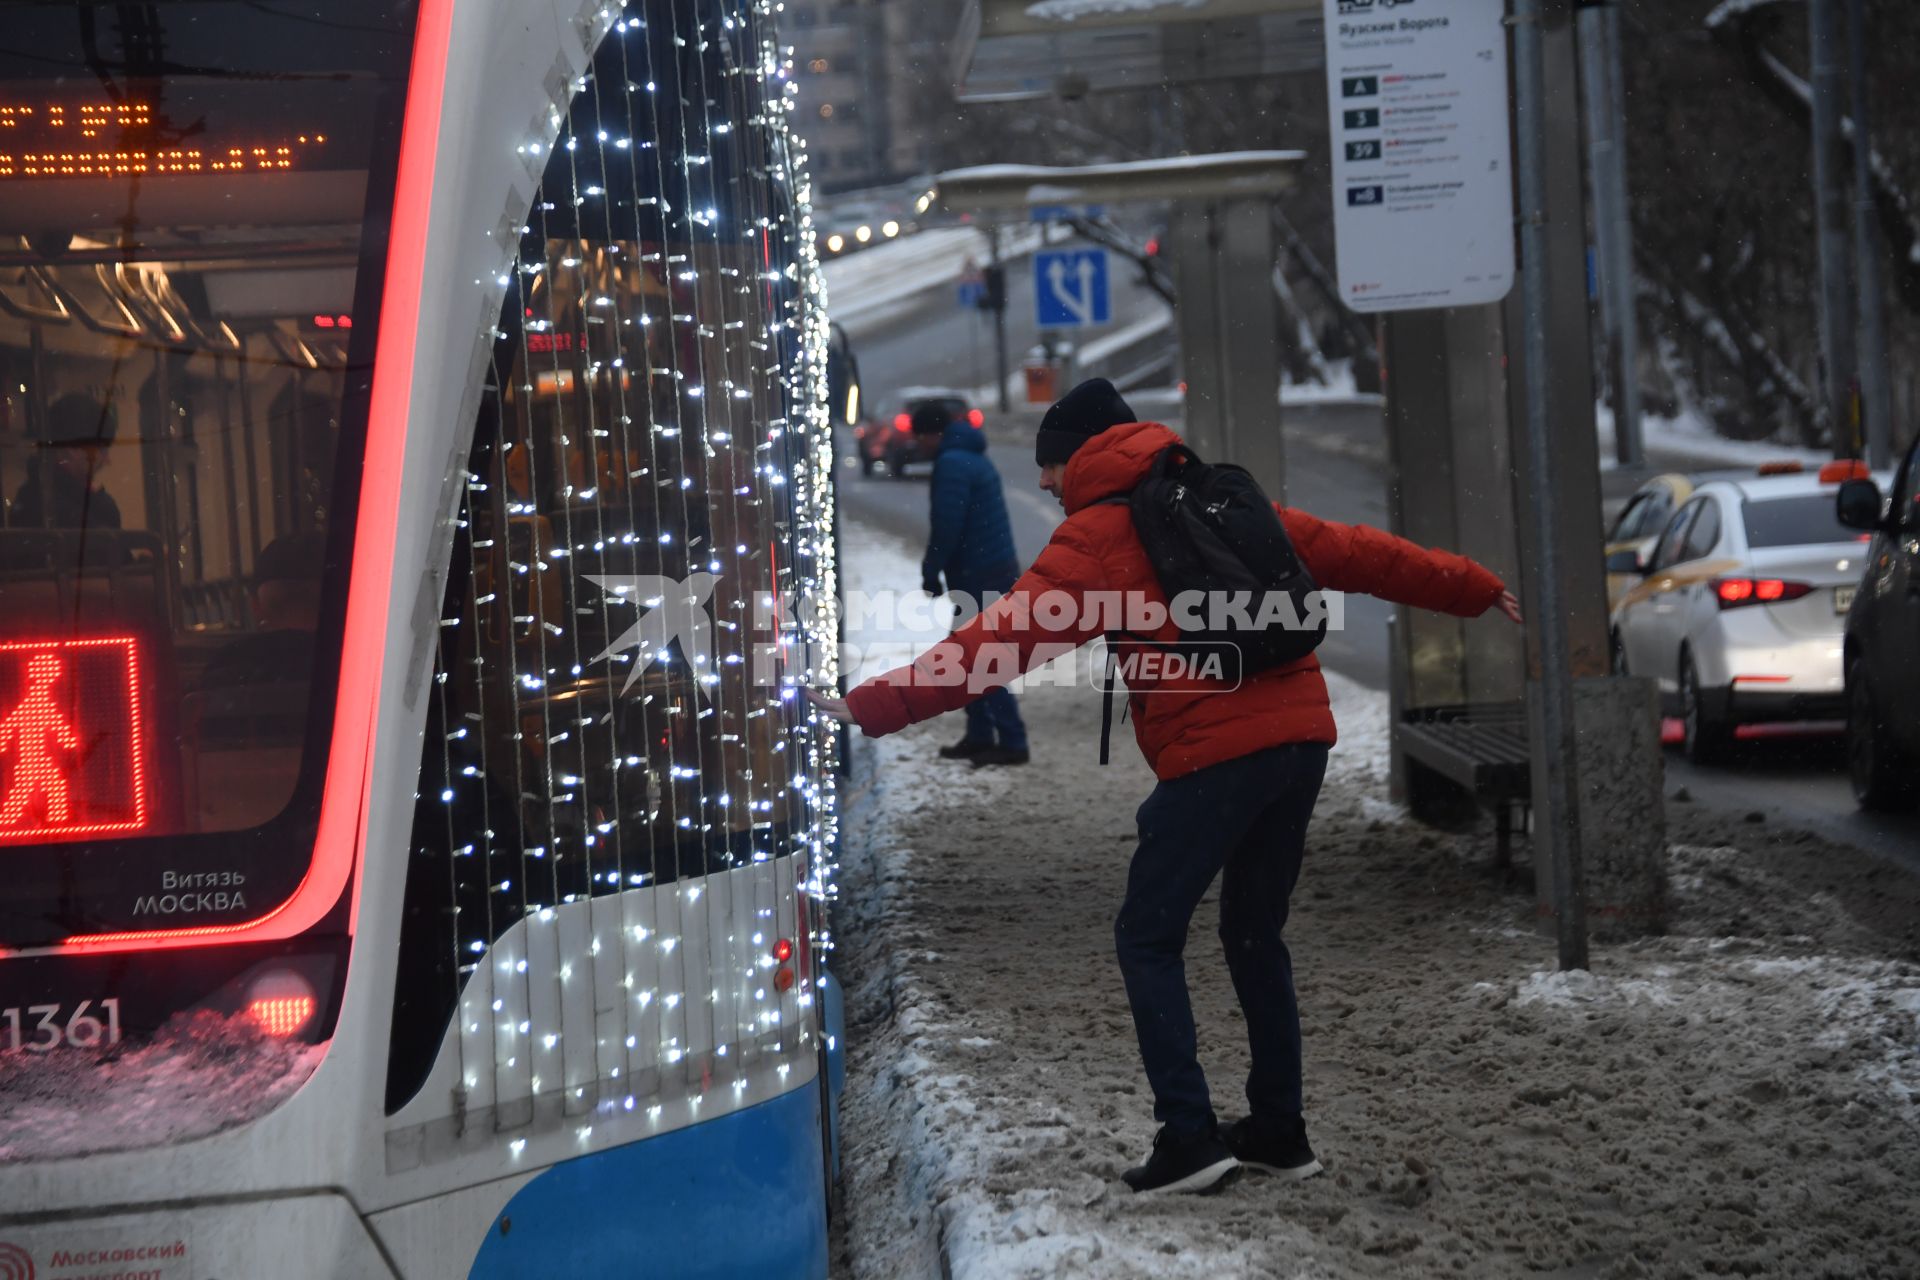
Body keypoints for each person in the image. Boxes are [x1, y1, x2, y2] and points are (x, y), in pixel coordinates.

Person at [809, 378, 1521, 1196]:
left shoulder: (1096, 538)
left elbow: (992, 646)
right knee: (1255, 935)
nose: (1043, 482)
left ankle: (1190, 1138)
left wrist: (870, 705)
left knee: (1148, 935)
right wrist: (1466, 584)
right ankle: (1278, 1132)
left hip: (1215, 756)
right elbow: (1354, 551)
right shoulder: (1219, 496)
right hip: (1300, 742)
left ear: (1079, 457)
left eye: (1050, 466)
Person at [914, 400, 1029, 767]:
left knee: (977, 656)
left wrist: (931, 571)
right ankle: (982, 733)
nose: (918, 446)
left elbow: (948, 525)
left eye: (919, 438)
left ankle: (1011, 740)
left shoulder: (951, 463)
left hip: (981, 573)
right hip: (990, 568)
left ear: (931, 434)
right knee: (970, 655)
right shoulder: (969, 455)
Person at [11, 393, 123, 530]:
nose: (107, 460)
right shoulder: (55, 510)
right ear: (72, 448)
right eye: (101, 449)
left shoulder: (33, 499)